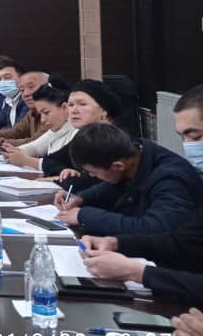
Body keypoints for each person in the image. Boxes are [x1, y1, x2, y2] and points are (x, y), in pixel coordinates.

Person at [75, 85, 203, 308]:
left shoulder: (172, 176)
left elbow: (163, 231)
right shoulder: (140, 154)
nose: (188, 146)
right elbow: (185, 240)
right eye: (183, 137)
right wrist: (116, 243)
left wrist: (136, 272)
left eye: (195, 136)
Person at [52, 122, 203, 236]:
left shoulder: (171, 179)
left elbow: (155, 229)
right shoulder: (135, 154)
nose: (91, 176)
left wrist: (84, 215)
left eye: (93, 172)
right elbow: (117, 184)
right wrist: (80, 198)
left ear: (118, 166)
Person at [2, 82, 76, 176]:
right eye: (40, 114)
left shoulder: (77, 132)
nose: (42, 120)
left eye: (46, 112)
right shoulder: (57, 129)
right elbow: (35, 148)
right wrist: (14, 152)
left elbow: (58, 164)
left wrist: (26, 160)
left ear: (65, 108)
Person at [0, 70, 50, 149]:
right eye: (22, 90)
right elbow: (15, 132)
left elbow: (34, 144)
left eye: (31, 87)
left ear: (49, 87)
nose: (26, 94)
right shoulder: (32, 112)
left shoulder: (53, 114)